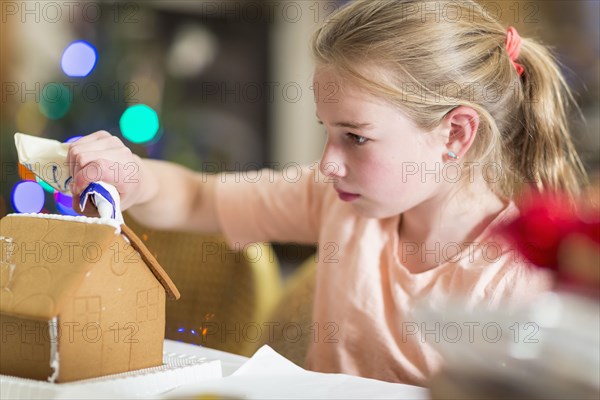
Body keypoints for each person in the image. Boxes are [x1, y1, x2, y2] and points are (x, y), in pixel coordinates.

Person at [67, 0, 588, 385]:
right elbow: (199, 199)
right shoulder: (337, 199)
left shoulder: (520, 283)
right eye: (328, 130)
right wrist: (134, 177)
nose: (328, 162)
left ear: (455, 134)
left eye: (355, 137)